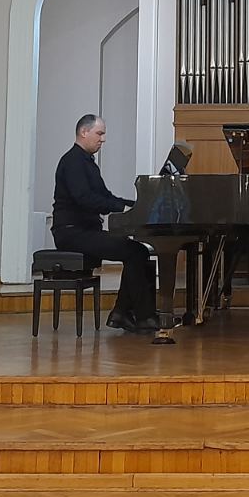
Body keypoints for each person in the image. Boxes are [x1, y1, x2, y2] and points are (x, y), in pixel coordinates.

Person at [51, 114, 160, 334]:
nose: (103, 139)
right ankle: (139, 316)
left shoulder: (86, 162)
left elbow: (104, 196)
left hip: (84, 231)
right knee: (135, 252)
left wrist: (134, 205)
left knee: (138, 252)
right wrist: (122, 208)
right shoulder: (72, 161)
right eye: (99, 133)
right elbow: (84, 198)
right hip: (72, 233)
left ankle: (125, 313)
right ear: (84, 132)